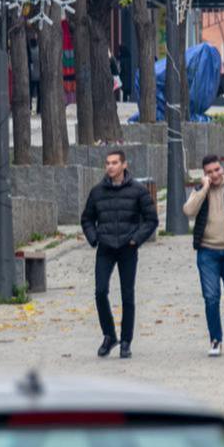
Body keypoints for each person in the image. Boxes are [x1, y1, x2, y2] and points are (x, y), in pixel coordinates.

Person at [81, 149, 159, 359]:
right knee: (100, 291)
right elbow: (87, 218)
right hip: (105, 247)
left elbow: (151, 219)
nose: (110, 167)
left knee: (127, 295)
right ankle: (109, 335)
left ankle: (126, 341)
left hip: (127, 247)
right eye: (107, 163)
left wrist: (136, 239)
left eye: (114, 163)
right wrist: (94, 237)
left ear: (124, 165)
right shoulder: (97, 191)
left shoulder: (138, 190)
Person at [182, 155, 224, 357]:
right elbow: (188, 211)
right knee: (211, 298)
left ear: (222, 169)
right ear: (204, 174)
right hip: (207, 252)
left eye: (217, 170)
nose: (214, 174)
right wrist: (203, 189)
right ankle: (215, 339)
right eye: (209, 172)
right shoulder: (199, 191)